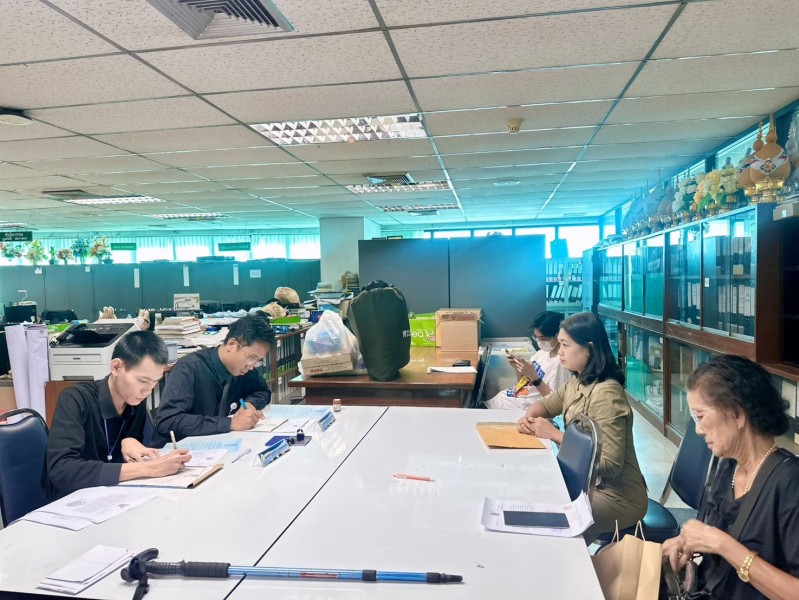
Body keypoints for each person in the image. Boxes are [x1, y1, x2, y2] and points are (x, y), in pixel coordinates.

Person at [662, 355, 799, 599]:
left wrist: (722, 544)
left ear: (736, 413)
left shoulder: (790, 482)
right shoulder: (729, 467)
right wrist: (687, 542)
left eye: (700, 416)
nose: (698, 429)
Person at [516, 312, 647, 541]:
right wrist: (529, 417)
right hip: (587, 485)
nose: (560, 352)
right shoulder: (577, 381)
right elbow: (545, 405)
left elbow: (610, 465)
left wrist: (556, 435)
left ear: (589, 348)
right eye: (559, 344)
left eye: (566, 345)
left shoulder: (606, 394)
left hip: (617, 498)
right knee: (535, 496)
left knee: (548, 517)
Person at [46, 331, 191, 499]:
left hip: (116, 497)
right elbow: (62, 470)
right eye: (143, 381)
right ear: (116, 367)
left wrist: (129, 442)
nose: (147, 391)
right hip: (74, 500)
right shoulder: (75, 399)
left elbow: (140, 452)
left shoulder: (135, 400)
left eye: (154, 382)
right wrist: (149, 468)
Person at [153, 313, 274, 445]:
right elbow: (168, 421)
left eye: (258, 361)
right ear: (231, 344)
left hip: (223, 444)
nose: (252, 366)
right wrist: (229, 423)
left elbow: (262, 391)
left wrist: (249, 404)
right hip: (180, 449)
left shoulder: (245, 369)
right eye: (251, 358)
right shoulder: (189, 368)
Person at [485, 311, 571, 410]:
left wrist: (534, 377)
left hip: (520, 408)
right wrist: (518, 368)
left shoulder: (561, 364)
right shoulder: (541, 354)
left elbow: (554, 404)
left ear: (558, 335)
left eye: (543, 338)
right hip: (505, 400)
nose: (539, 342)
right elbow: (522, 385)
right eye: (536, 337)